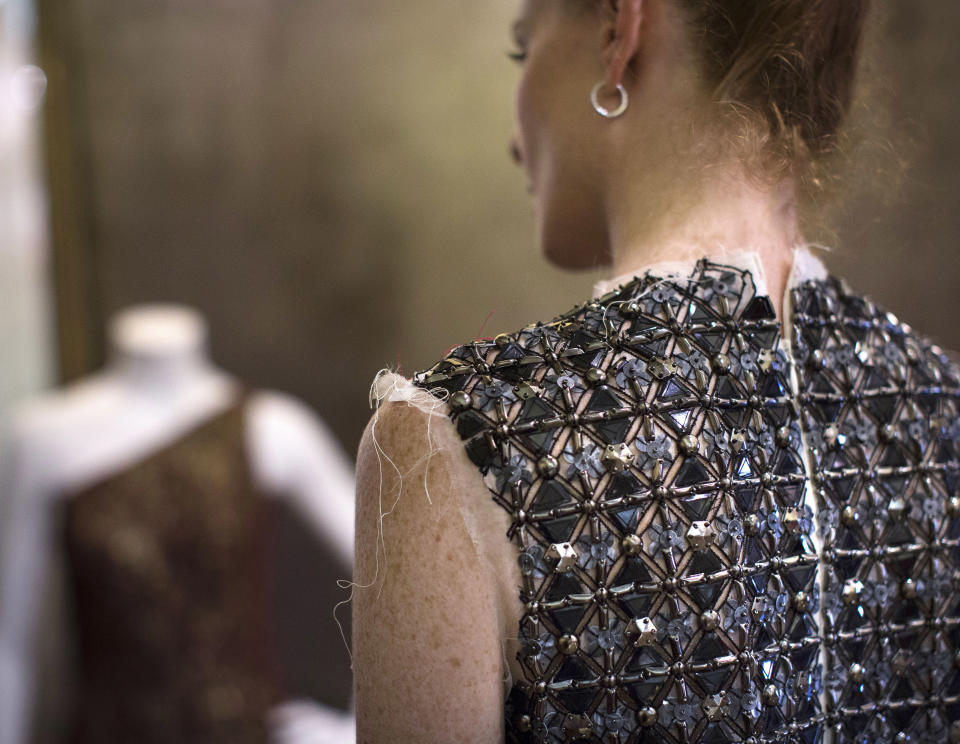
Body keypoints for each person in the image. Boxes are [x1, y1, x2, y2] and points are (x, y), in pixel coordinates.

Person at [352, 1, 960, 742]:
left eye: (523, 50)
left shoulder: (459, 439)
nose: (515, 142)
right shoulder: (940, 409)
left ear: (618, 30)